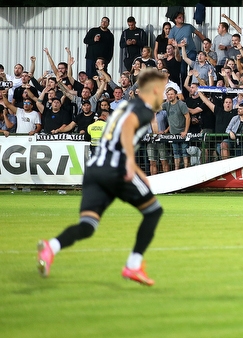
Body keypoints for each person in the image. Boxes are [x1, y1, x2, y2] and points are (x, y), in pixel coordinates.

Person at [36, 68, 169, 286]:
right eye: (162, 90)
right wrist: (130, 164)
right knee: (154, 211)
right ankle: (133, 265)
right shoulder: (143, 110)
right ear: (154, 89)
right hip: (114, 169)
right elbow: (127, 128)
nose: (163, 95)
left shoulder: (125, 106)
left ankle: (51, 248)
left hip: (95, 169)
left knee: (88, 225)